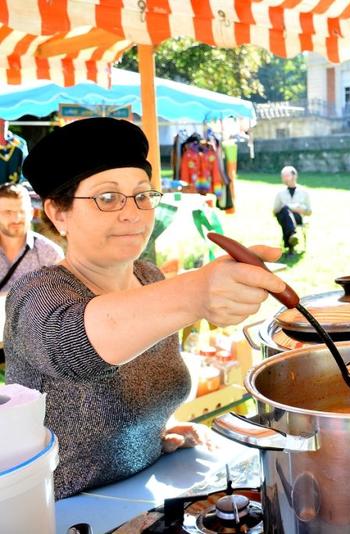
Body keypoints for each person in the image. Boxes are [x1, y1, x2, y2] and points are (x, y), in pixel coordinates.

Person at [4, 117, 286, 499]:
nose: (132, 213)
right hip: (59, 513)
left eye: (142, 195)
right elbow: (77, 346)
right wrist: (197, 293)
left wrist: (152, 438)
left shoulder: (149, 278)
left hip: (145, 495)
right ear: (58, 213)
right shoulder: (36, 294)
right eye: (107, 198)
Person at [0, 183, 63, 293]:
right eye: (8, 212)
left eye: (22, 211)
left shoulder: (50, 254)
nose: (16, 218)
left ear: (31, 213)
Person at [273, 165, 311, 254]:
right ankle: (293, 235)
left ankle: (290, 245)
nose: (284, 178)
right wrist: (286, 208)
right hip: (282, 216)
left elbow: (309, 211)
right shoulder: (280, 193)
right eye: (282, 176)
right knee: (285, 211)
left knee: (286, 215)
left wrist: (300, 210)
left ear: (294, 176)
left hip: (299, 217)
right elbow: (275, 211)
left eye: (286, 176)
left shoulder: (304, 192)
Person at [0, 118, 27, 184]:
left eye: (4, 118)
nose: (1, 122)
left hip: (15, 190)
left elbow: (26, 171)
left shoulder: (20, 143)